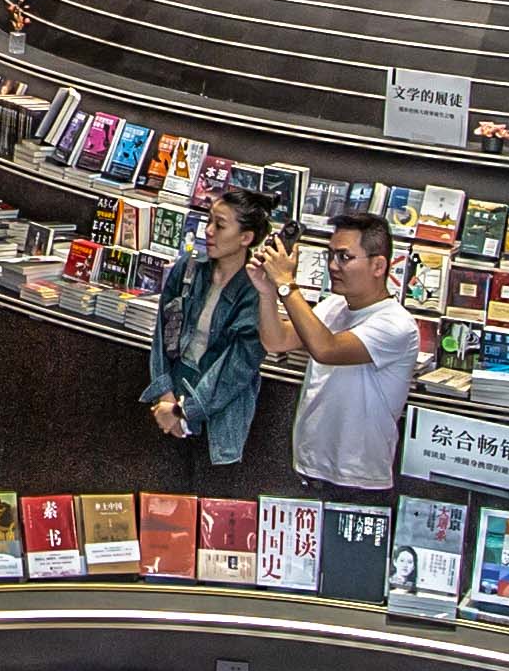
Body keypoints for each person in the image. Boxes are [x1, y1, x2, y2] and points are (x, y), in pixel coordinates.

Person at [260, 207, 424, 492]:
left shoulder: (396, 324)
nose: (333, 266)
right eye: (330, 255)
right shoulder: (336, 304)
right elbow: (277, 341)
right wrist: (266, 291)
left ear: (378, 266)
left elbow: (326, 349)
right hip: (308, 467)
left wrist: (286, 284)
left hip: (356, 480)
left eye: (344, 257)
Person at [139, 181, 274, 479]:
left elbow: (237, 366)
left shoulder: (255, 291)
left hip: (217, 408)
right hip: (172, 392)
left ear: (246, 238)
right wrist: (165, 394)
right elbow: (162, 335)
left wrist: (185, 413)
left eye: (220, 225)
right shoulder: (188, 269)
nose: (209, 231)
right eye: (209, 221)